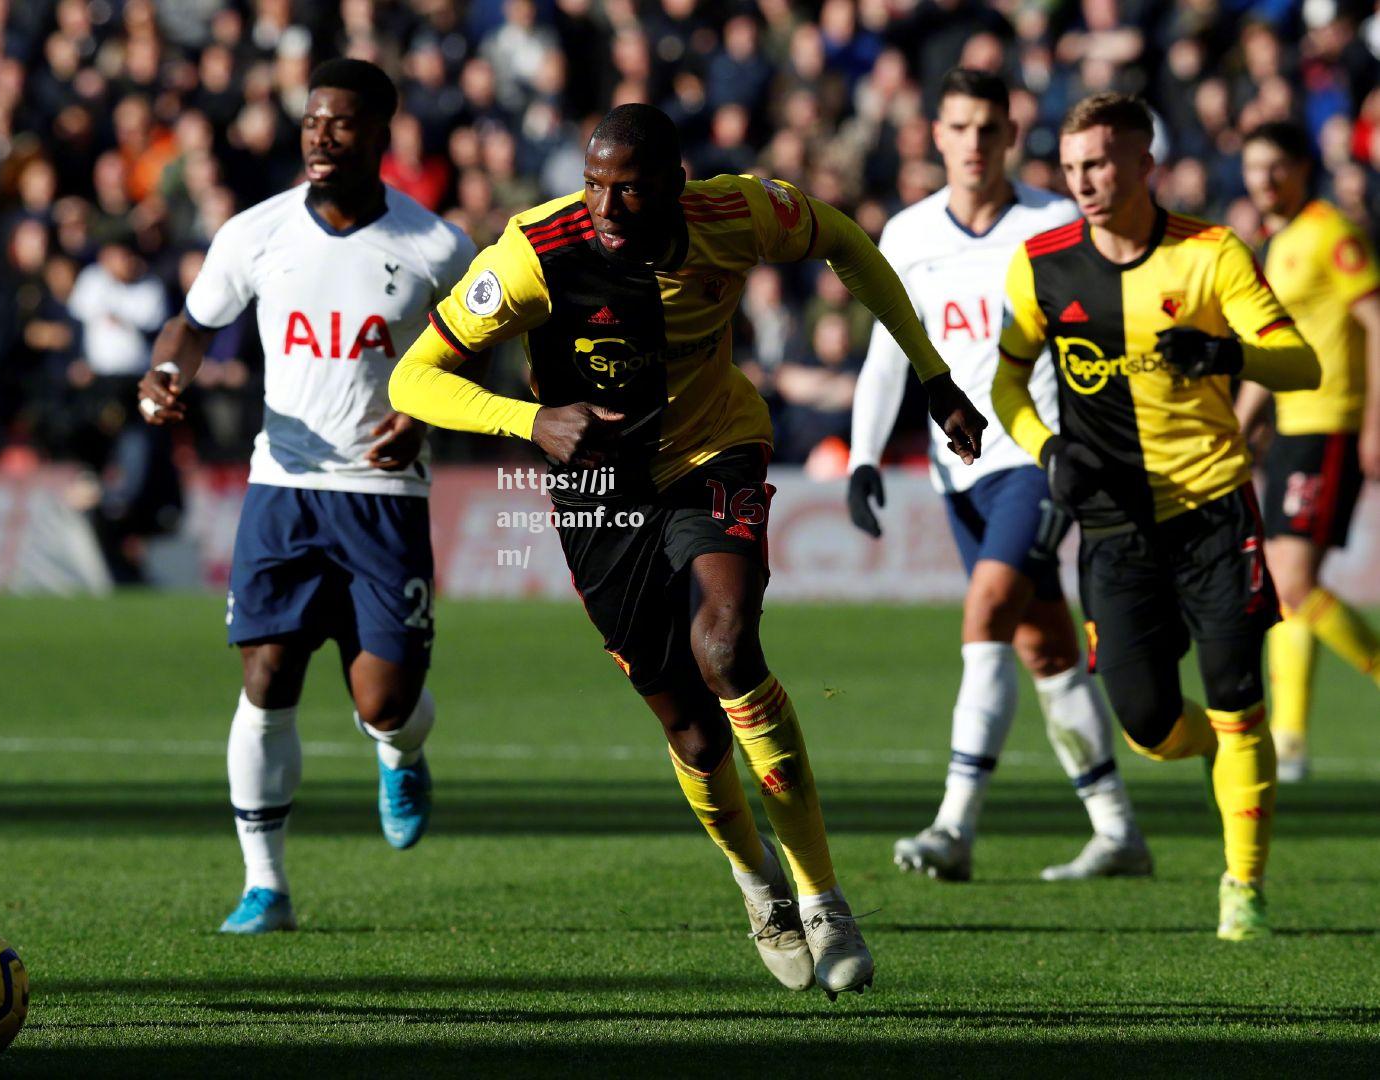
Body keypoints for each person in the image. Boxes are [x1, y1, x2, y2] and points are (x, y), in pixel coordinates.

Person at [389, 103, 985, 997]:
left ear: (674, 182)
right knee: (691, 728)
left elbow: (852, 245)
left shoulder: (737, 214)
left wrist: (933, 375)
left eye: (627, 186)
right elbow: (414, 376)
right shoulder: (533, 254)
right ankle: (759, 886)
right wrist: (531, 420)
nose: (606, 204)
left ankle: (825, 898)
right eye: (594, 183)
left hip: (715, 452)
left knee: (727, 647)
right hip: (598, 492)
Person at [138, 59, 477, 934]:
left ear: (381, 133)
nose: (322, 137)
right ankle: (265, 885)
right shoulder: (256, 233)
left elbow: (481, 343)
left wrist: (425, 417)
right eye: (312, 122)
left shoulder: (435, 246)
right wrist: (168, 370)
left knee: (384, 704)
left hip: (382, 493)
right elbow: (197, 321)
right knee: (267, 675)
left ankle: (400, 754)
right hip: (282, 484)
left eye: (341, 123)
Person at [992, 93, 1319, 941]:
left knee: (1239, 698)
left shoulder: (1211, 253)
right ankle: (1224, 757)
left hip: (1214, 512)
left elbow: (1303, 363)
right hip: (1112, 528)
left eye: (1099, 163)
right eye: (1070, 168)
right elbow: (1005, 380)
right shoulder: (1041, 264)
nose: (1084, 183)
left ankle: (1242, 886)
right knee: (1145, 727)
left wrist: (1227, 353)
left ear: (1145, 165)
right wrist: (1045, 448)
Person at [847, 69, 1148, 883]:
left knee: (986, 611)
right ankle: (1118, 831)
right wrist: (865, 455)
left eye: (990, 128)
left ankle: (953, 826)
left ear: (1012, 135)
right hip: (959, 473)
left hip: (1040, 459)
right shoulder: (907, 235)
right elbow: (886, 355)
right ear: (934, 136)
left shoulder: (1054, 223)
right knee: (1044, 646)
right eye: (960, 127)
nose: (975, 143)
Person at [1237, 122, 1380, 782]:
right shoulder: (1277, 244)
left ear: (1299, 169)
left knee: (1291, 579)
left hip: (1331, 422)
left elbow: (1376, 322)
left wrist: (1375, 420)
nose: (1264, 179)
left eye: (1276, 167)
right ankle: (1289, 739)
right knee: (1285, 584)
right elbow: (1272, 352)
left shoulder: (1331, 233)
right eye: (1253, 167)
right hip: (1293, 426)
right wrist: (1241, 424)